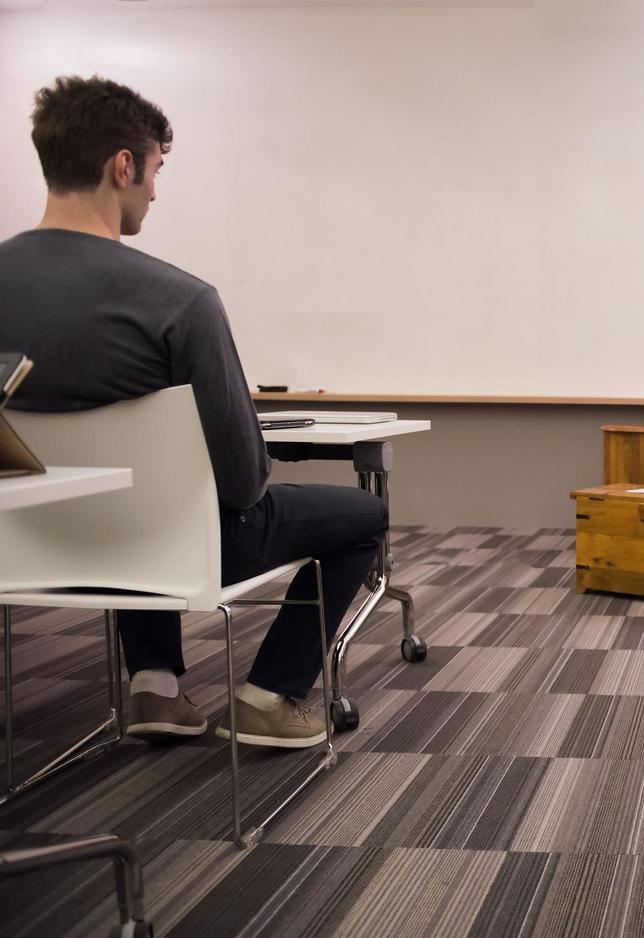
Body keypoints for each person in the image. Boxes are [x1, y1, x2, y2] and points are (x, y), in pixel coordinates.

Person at [0, 76, 389, 750]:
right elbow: (243, 485)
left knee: (128, 501)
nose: (154, 189)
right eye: (155, 170)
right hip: (167, 544)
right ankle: (270, 695)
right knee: (363, 516)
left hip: (22, 543)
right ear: (123, 165)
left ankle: (155, 684)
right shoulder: (178, 300)